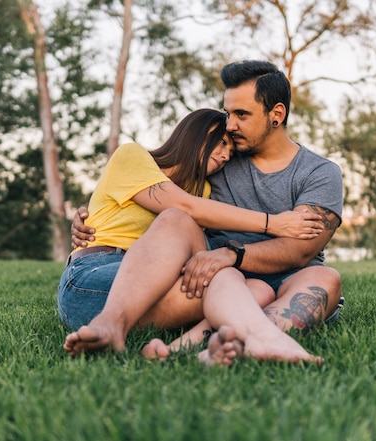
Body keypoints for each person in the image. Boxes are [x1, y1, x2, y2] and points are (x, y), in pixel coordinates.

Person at [67, 60, 344, 366]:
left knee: (324, 278)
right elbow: (173, 199)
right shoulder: (217, 163)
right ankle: (231, 340)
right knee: (186, 229)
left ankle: (207, 348)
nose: (230, 125)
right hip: (213, 275)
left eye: (241, 114)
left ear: (276, 114)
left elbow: (299, 250)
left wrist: (230, 255)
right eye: (228, 113)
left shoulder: (320, 172)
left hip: (258, 278)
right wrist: (88, 214)